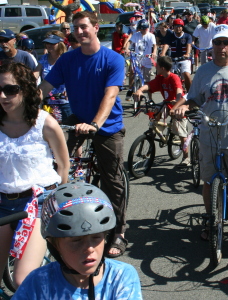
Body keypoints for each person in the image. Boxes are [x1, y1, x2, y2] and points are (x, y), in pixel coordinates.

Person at [39, 11, 127, 258]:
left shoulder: (113, 59)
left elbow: (110, 95)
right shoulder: (67, 60)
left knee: (112, 179)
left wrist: (96, 124)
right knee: (52, 158)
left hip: (107, 124)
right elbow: (45, 88)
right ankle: (57, 214)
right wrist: (23, 107)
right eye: (75, 28)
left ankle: (119, 230)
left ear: (96, 27)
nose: (79, 32)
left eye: (83, 27)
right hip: (78, 118)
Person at [171, 24, 228, 243]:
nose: (221, 47)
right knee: (209, 182)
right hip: (208, 136)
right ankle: (211, 218)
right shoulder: (203, 70)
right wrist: (186, 106)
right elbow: (194, 98)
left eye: (225, 42)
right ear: (211, 45)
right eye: (217, 42)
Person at [0, 62, 69, 287]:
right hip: (3, 202)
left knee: (23, 280)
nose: (3, 96)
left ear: (26, 90)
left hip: (37, 203)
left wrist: (58, 209)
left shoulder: (45, 123)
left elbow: (63, 166)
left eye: (10, 89)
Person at [13, 183, 143, 299]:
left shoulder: (121, 277)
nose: (89, 248)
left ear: (106, 239)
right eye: (76, 240)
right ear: (54, 245)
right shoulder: (38, 282)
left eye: (96, 237)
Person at [133, 56, 190, 167]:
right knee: (154, 114)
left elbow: (179, 89)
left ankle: (186, 157)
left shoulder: (173, 77)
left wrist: (178, 100)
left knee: (182, 132)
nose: (155, 67)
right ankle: (153, 138)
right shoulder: (160, 78)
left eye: (157, 66)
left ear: (162, 68)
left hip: (177, 105)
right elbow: (149, 85)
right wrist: (139, 90)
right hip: (166, 103)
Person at [39, 32, 72, 124]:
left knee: (69, 130)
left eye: (52, 43)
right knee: (49, 129)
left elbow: (73, 76)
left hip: (65, 101)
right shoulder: (44, 58)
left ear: (60, 44)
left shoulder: (66, 58)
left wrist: (70, 88)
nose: (49, 45)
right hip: (48, 101)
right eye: (47, 43)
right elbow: (35, 74)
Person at [161, 18, 193, 92]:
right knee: (168, 76)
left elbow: (189, 46)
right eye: (176, 26)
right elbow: (166, 45)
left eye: (179, 26)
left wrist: (187, 54)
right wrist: (163, 54)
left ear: (182, 27)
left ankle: (190, 94)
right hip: (173, 59)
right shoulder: (170, 36)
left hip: (184, 59)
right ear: (173, 27)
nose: (178, 28)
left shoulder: (187, 36)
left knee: (186, 75)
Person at [124, 19, 157, 86]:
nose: (143, 30)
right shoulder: (136, 35)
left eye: (145, 29)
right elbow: (129, 42)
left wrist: (154, 52)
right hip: (137, 57)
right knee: (132, 71)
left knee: (147, 77)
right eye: (141, 29)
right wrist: (127, 49)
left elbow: (154, 45)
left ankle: (149, 94)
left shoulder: (151, 36)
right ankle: (130, 88)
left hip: (147, 57)